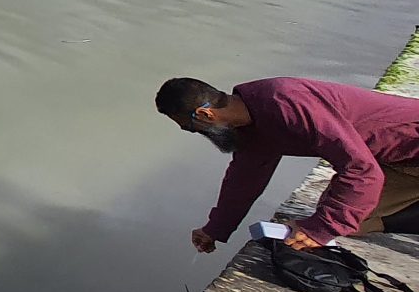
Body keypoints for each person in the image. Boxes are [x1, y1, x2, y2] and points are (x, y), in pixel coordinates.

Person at [158, 76, 419, 254]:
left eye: (191, 128)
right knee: (358, 218)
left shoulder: (287, 104)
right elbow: (244, 180)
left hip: (411, 147)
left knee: (336, 217)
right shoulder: (250, 126)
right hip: (398, 158)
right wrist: (215, 228)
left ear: (205, 115)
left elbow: (360, 170)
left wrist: (319, 230)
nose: (194, 133)